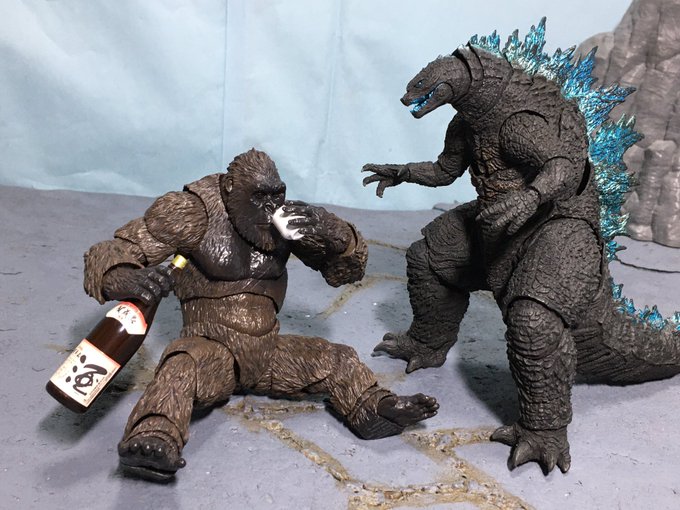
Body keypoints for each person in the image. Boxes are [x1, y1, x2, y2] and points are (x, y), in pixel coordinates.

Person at [84, 148, 438, 481]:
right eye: (258, 197)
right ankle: (154, 435)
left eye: (276, 195)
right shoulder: (192, 211)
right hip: (212, 351)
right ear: (229, 189)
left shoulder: (283, 221)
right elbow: (113, 250)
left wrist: (336, 233)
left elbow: (344, 273)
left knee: (340, 359)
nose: (270, 207)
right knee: (181, 364)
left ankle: (375, 410)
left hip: (268, 352)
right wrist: (127, 278)